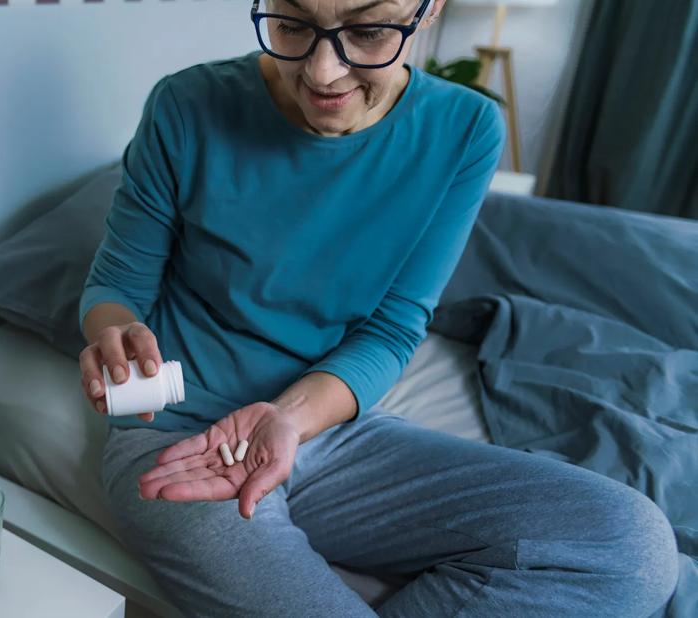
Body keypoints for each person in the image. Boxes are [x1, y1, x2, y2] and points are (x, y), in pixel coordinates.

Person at [76, 0, 679, 615]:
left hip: (330, 429)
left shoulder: (464, 128)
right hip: (182, 440)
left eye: (366, 32)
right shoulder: (186, 106)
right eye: (292, 25)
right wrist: (115, 333)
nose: (321, 73)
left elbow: (392, 329)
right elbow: (117, 284)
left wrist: (289, 419)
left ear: (429, 8)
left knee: (633, 548)